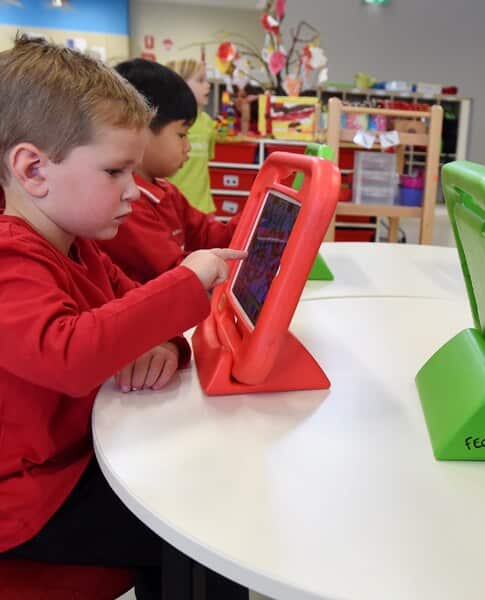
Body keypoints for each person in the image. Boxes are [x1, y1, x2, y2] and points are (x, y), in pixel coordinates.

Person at [0, 37, 244, 598]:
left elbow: (141, 314)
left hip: (75, 461)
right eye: (115, 172)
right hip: (26, 498)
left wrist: (170, 348)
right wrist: (191, 279)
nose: (136, 192)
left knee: (197, 499)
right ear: (33, 169)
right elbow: (69, 353)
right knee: (203, 533)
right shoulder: (11, 257)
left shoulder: (82, 247)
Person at [98, 58, 239, 283]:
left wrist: (261, 215)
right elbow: (174, 272)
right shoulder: (128, 205)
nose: (188, 147)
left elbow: (210, 236)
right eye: (181, 135)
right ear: (140, 130)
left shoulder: (166, 191)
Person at [166, 58, 217, 214]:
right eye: (201, 80)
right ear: (180, 85)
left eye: (206, 80)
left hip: (203, 208)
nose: (208, 85)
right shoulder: (168, 123)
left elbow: (203, 166)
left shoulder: (207, 123)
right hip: (173, 208)